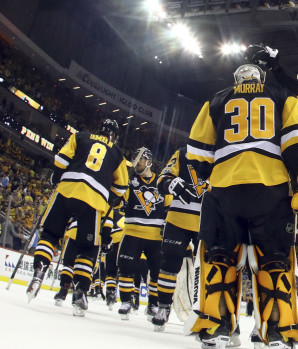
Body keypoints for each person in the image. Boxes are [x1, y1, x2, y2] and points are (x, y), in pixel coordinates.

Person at [185, 58, 298, 348]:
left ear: (237, 79)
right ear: (261, 76)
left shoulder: (216, 100)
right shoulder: (284, 96)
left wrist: (205, 183)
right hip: (271, 190)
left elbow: (197, 153)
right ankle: (277, 329)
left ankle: (218, 324)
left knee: (219, 257)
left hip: (224, 189)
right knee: (275, 262)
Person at [27, 119, 129, 317]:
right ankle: (80, 292)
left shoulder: (80, 135)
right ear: (114, 135)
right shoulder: (117, 154)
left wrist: (56, 178)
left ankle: (39, 270)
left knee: (49, 233)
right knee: (88, 247)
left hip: (67, 189)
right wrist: (107, 198)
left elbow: (61, 160)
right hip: (93, 200)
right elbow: (121, 188)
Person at [151, 147, 203, 331]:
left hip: (208, 220)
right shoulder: (182, 153)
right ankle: (163, 307)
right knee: (169, 265)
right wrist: (171, 184)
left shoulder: (221, 151)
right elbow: (162, 179)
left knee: (208, 268)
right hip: (178, 218)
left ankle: (206, 313)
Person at [116, 147, 172, 321]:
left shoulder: (161, 182)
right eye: (134, 158)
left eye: (139, 159)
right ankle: (125, 301)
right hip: (132, 231)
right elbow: (118, 201)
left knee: (156, 272)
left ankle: (153, 304)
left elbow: (169, 207)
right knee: (125, 267)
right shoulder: (130, 180)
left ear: (148, 161)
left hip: (155, 236)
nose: (136, 162)